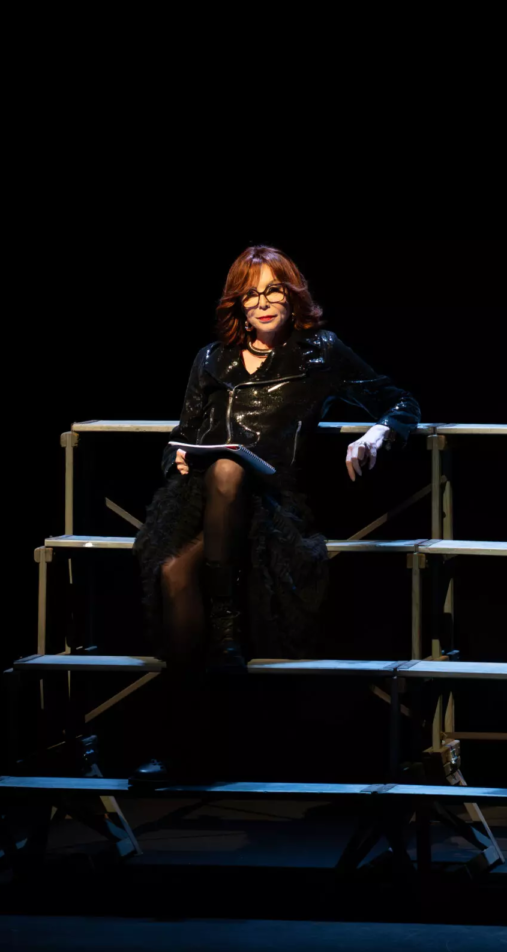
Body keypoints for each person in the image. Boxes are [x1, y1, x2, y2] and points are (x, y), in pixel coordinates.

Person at [131, 245, 420, 780]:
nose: (263, 303)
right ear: (238, 305)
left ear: (292, 297)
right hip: (197, 503)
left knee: (230, 471)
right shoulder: (210, 358)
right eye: (251, 294)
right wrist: (178, 455)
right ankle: (183, 742)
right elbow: (183, 432)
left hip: (271, 504)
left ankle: (221, 642)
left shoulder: (320, 352)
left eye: (273, 291)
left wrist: (378, 432)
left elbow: (400, 401)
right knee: (173, 571)